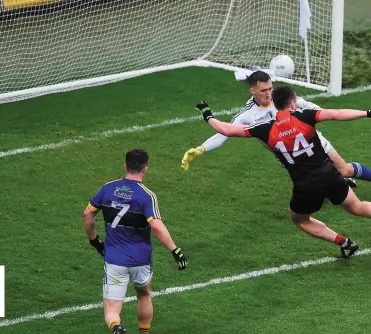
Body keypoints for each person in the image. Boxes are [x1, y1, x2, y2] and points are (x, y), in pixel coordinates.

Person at [195, 86, 371, 258]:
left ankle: (344, 243)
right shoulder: (305, 115)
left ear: (275, 104)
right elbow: (337, 114)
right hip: (330, 176)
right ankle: (346, 243)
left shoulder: (264, 129)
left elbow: (225, 129)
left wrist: (208, 115)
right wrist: (367, 113)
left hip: (305, 187)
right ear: (293, 103)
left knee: (300, 220)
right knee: (358, 207)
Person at [182, 71, 371, 187]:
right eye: (264, 91)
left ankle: (339, 179)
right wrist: (200, 149)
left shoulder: (282, 98)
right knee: (316, 183)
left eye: (270, 89)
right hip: (289, 155)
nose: (269, 94)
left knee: (344, 170)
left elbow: (312, 107)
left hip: (313, 143)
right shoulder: (248, 115)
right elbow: (224, 133)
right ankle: (335, 182)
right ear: (252, 91)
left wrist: (322, 114)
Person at [83, 149, 188, 334]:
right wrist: (175, 250)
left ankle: (116, 328)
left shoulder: (107, 188)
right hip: (141, 260)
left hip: (114, 258)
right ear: (145, 169)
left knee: (112, 310)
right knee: (144, 294)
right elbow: (156, 226)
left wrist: (94, 240)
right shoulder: (147, 196)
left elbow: (88, 213)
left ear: (125, 166)